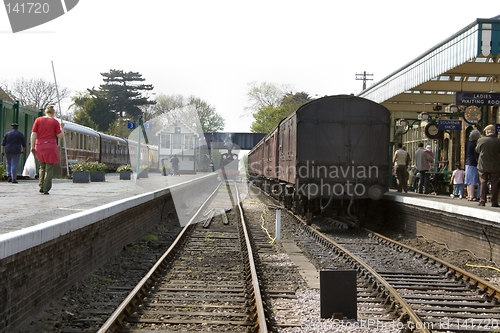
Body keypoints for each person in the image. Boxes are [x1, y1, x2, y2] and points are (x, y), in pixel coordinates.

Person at [31, 105, 64, 194]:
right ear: (53, 113)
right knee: (49, 168)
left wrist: (32, 146)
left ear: (46, 112)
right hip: (51, 146)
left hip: (40, 145)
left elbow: (33, 134)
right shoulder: (55, 122)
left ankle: (41, 185)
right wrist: (61, 128)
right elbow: (60, 136)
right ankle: (46, 188)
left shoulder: (38, 120)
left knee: (42, 167)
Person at [475, 124, 500, 207]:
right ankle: (494, 202)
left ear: (487, 132)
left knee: (483, 182)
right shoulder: (498, 141)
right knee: (495, 183)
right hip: (495, 165)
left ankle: (482, 201)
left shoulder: (481, 140)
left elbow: (477, 150)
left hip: (483, 165)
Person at [465, 129, 481, 201]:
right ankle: (471, 196)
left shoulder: (469, 143)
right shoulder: (474, 144)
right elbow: (476, 155)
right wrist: (478, 163)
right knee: (472, 181)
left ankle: (469, 195)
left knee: (469, 181)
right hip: (473, 164)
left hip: (468, 163)